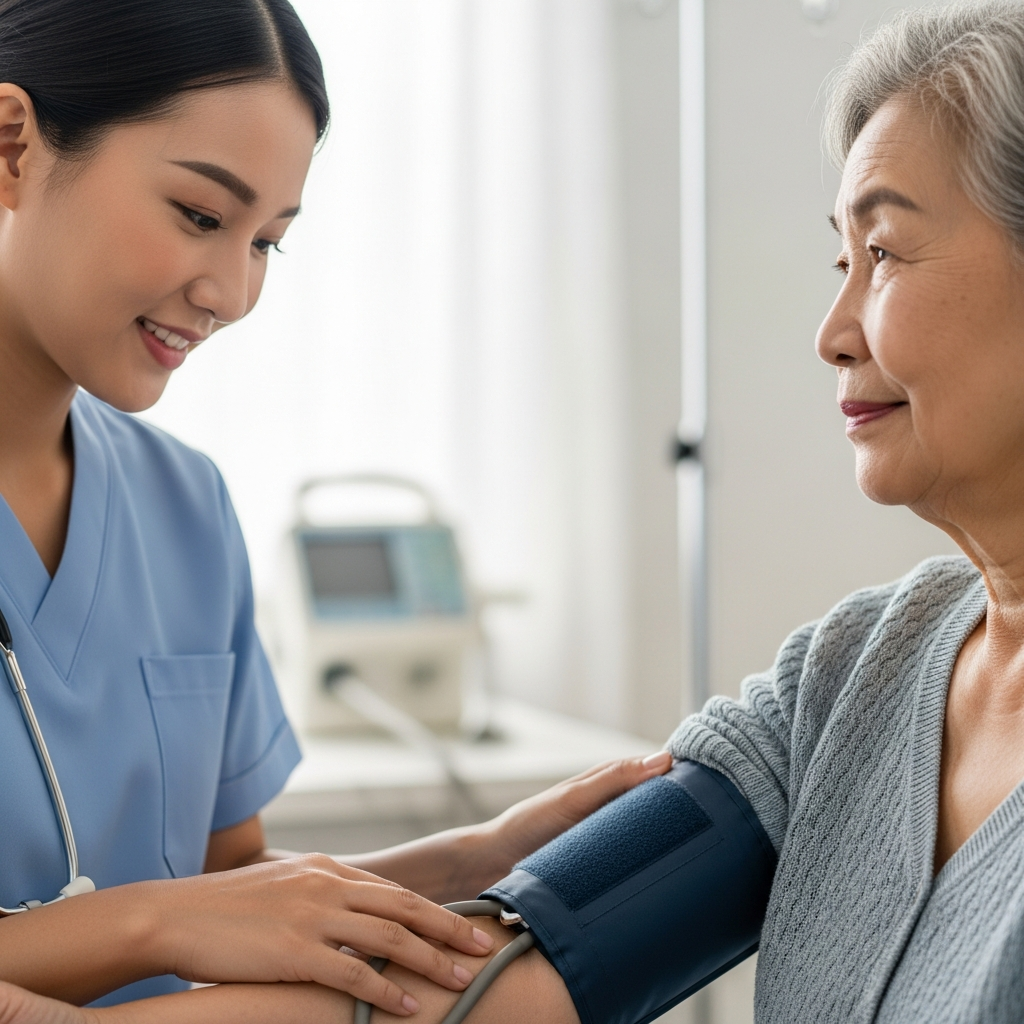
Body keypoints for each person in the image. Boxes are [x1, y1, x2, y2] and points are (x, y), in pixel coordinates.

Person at [48, 0, 1024, 1020]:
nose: (830, 332)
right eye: (842, 263)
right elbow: (465, 987)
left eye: (886, 254)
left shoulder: (173, 507)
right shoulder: (847, 680)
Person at [0, 0, 674, 1018]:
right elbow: (196, 913)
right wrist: (152, 921)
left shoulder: (182, 507)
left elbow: (241, 896)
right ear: (12, 144)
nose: (229, 288)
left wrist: (475, 857)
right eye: (199, 215)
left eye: (268, 241)